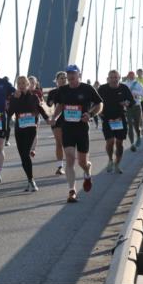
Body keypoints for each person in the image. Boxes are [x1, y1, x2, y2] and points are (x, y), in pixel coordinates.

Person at [50, 65, 103, 203]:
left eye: (73, 73)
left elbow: (99, 104)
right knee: (69, 157)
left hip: (82, 128)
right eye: (69, 74)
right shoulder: (63, 90)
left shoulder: (87, 88)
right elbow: (60, 105)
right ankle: (72, 191)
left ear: (79, 74)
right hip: (67, 127)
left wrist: (90, 114)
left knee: (82, 162)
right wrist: (54, 117)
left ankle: (87, 171)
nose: (71, 76)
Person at [7, 76, 49, 191]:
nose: (21, 85)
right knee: (23, 157)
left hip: (31, 129)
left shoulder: (34, 97)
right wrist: (14, 100)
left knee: (26, 154)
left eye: (23, 83)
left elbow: (40, 109)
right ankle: (30, 180)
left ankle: (31, 181)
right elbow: (9, 113)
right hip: (19, 129)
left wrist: (47, 119)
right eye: (19, 83)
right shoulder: (14, 97)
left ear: (27, 84)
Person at [98, 70, 136, 174]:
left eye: (115, 77)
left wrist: (127, 103)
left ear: (119, 78)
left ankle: (117, 164)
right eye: (111, 77)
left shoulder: (124, 88)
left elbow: (132, 101)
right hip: (107, 118)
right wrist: (98, 112)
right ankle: (110, 160)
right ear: (108, 79)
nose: (113, 79)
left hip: (120, 118)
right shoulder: (102, 89)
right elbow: (96, 102)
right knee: (110, 141)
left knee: (119, 144)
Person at [46, 71, 69, 175]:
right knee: (59, 142)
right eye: (61, 78)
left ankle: (70, 163)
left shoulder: (71, 90)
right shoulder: (53, 92)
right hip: (57, 119)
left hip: (70, 118)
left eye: (65, 78)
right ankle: (60, 167)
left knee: (68, 143)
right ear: (57, 80)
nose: (64, 80)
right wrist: (51, 102)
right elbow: (49, 104)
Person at [123, 70, 143, 151]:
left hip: (137, 106)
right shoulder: (124, 84)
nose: (131, 76)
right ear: (127, 76)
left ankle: (139, 137)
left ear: (134, 76)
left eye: (132, 75)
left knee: (136, 125)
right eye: (129, 75)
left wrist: (135, 92)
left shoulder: (138, 84)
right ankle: (132, 144)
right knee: (129, 125)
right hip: (128, 107)